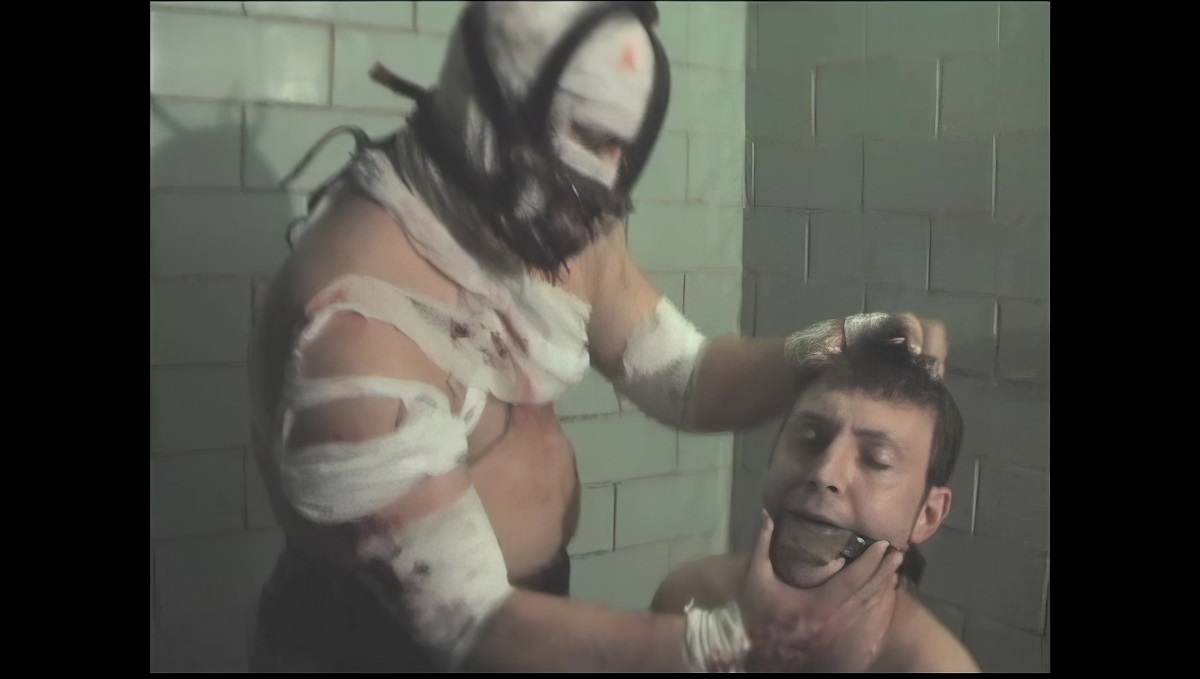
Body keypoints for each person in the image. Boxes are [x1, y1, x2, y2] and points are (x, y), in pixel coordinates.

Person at [246, 1, 948, 671]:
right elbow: (474, 626)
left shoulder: (554, 207)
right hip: (378, 647)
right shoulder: (353, 326)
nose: (600, 185)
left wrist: (828, 344)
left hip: (528, 612)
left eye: (620, 149)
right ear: (491, 116)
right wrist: (733, 642)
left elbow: (685, 376)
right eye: (589, 140)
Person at [650, 313, 980, 672]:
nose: (824, 473)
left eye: (877, 460)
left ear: (927, 515)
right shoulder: (689, 600)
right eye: (810, 438)